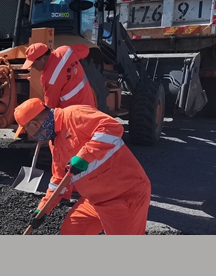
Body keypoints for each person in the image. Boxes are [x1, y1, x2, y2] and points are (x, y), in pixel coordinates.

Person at [13, 97, 151, 235]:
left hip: (124, 196)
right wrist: (42, 210)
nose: (31, 136)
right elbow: (59, 180)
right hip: (94, 201)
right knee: (72, 231)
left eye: (26, 130)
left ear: (35, 125)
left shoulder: (74, 114)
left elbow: (112, 127)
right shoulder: (55, 143)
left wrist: (84, 157)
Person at [22, 42, 97, 109]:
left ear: (44, 58)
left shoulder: (50, 78)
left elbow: (50, 106)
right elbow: (85, 50)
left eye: (34, 64)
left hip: (73, 113)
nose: (33, 67)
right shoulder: (66, 51)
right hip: (89, 103)